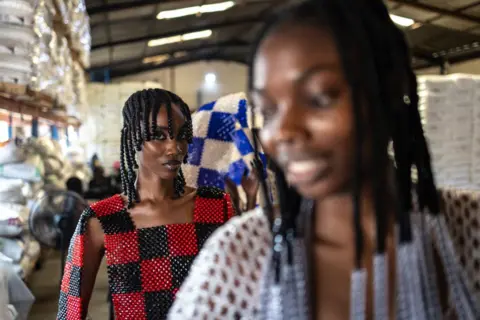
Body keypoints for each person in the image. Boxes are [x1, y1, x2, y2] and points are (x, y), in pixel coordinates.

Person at [169, 1, 478, 319]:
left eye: (319, 98)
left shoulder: (469, 230)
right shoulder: (238, 260)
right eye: (269, 110)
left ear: (391, 90)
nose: (283, 132)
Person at [56, 89, 235, 320]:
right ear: (132, 138)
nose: (174, 148)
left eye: (181, 135)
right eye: (159, 136)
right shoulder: (102, 219)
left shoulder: (217, 206)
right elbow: (70, 311)